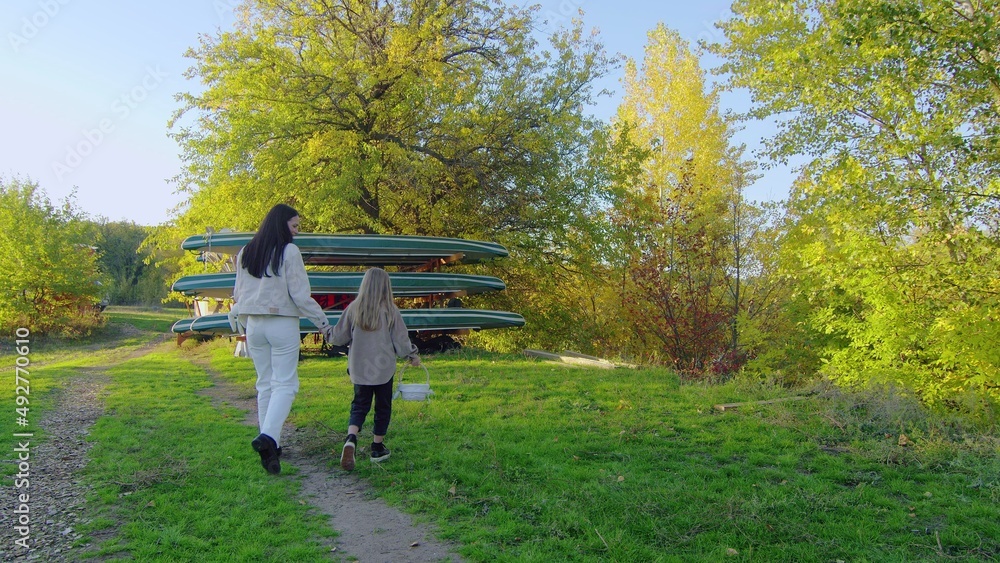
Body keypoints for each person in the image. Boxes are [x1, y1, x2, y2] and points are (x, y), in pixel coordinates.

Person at [229, 203, 332, 475]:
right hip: (282, 322)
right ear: (281, 224)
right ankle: (269, 438)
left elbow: (238, 295)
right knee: (286, 383)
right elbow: (300, 296)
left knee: (265, 384)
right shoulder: (290, 251)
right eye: (295, 226)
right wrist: (323, 323)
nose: (297, 232)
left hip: (254, 324)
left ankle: (271, 446)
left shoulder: (245, 253)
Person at [326, 267, 420, 471]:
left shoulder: (353, 308)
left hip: (360, 368)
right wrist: (412, 355)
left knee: (359, 405)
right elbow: (401, 340)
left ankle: (351, 438)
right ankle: (377, 448)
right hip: (383, 369)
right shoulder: (390, 310)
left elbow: (339, 337)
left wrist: (326, 332)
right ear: (386, 286)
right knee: (383, 406)